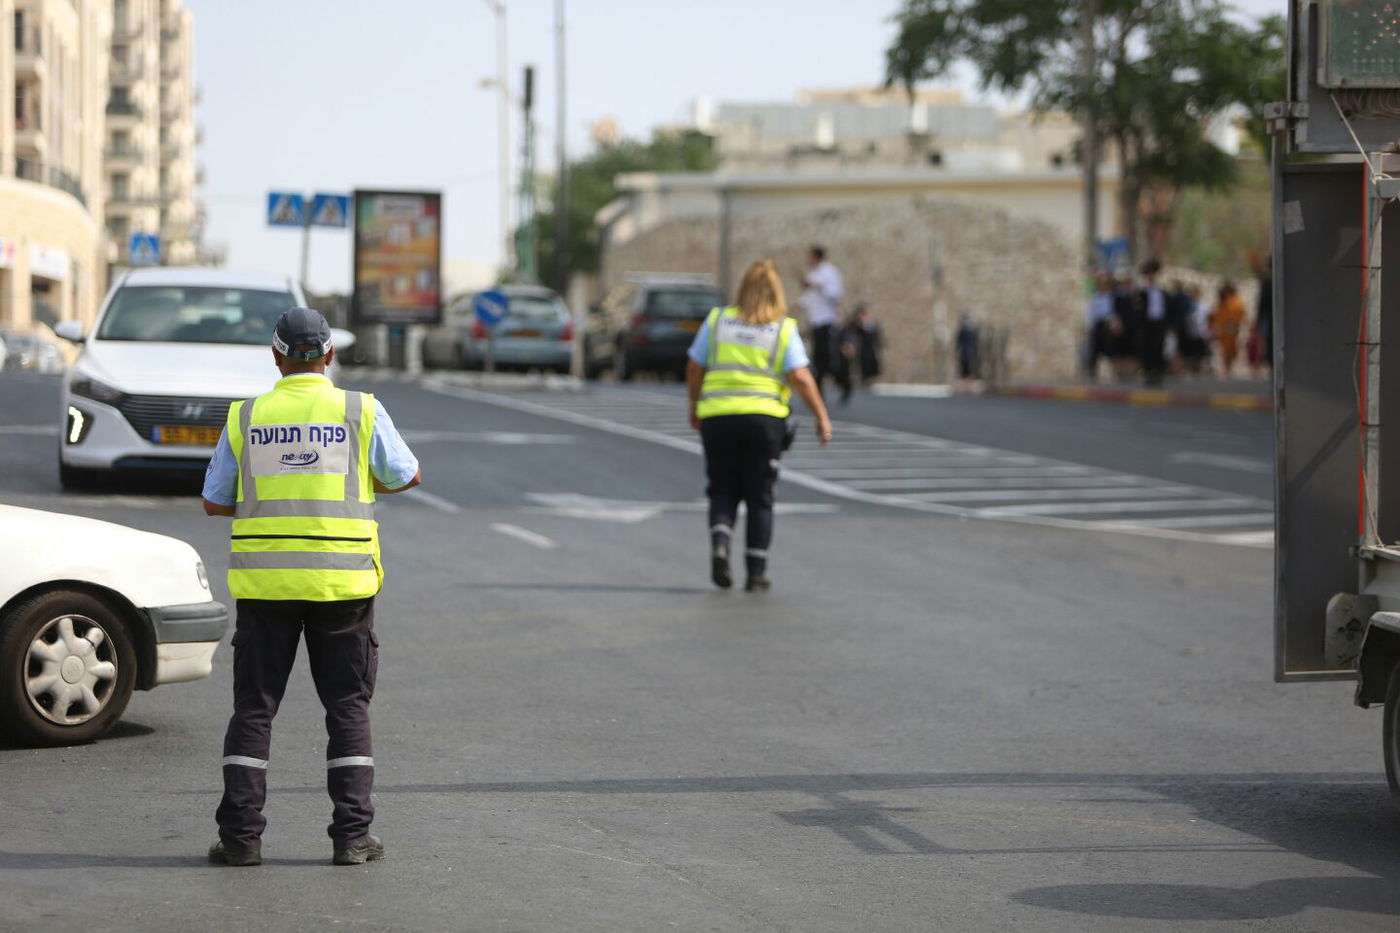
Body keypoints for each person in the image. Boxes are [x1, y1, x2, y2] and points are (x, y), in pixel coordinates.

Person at [201, 307, 422, 868]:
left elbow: (215, 501)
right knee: (347, 706)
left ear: (275, 356)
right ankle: (352, 838)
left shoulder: (247, 416)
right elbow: (405, 475)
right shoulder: (359, 409)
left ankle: (241, 841)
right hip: (342, 583)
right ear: (329, 354)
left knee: (254, 708)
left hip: (266, 583)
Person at [687, 260, 832, 592]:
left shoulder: (717, 321)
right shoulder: (782, 328)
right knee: (760, 495)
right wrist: (822, 416)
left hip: (718, 416)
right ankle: (756, 572)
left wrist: (694, 407)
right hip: (764, 421)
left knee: (722, 489)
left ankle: (721, 544)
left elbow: (694, 368)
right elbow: (800, 376)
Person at [797, 245, 844, 396]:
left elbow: (835, 295)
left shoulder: (830, 273)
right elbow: (809, 297)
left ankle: (842, 380)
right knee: (818, 356)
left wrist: (818, 286)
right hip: (815, 321)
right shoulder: (813, 274)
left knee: (828, 356)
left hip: (827, 320)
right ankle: (819, 389)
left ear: (816, 256)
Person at [1138, 259, 1170, 385]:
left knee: (1158, 347)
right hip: (1147, 323)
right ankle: (1148, 373)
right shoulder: (1142, 292)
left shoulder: (1161, 291)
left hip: (1159, 322)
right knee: (1147, 348)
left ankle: (1158, 373)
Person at [1084, 272, 1117, 381]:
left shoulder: (1111, 297)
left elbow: (1113, 312)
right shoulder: (1095, 297)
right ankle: (1092, 372)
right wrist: (1089, 326)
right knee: (1095, 349)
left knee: (1111, 349)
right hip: (1097, 325)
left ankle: (1115, 372)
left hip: (1108, 325)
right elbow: (1090, 313)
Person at [1210, 281, 1247, 378]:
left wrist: (1234, 325)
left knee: (1231, 350)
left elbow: (1239, 314)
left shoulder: (1235, 301)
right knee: (1226, 351)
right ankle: (1227, 370)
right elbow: (1217, 315)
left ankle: (1228, 370)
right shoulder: (1225, 301)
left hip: (1231, 329)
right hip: (1224, 331)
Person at [853, 303, 883, 387]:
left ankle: (869, 379)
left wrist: (879, 346)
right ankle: (864, 379)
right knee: (862, 363)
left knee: (871, 363)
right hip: (862, 348)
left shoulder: (872, 324)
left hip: (870, 348)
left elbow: (876, 336)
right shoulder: (857, 324)